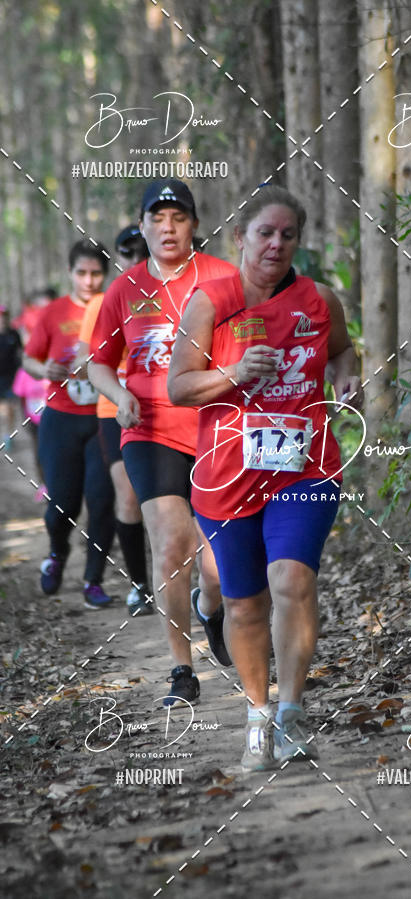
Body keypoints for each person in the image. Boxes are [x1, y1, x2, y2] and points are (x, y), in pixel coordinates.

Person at [167, 185, 362, 771]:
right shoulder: (211, 301)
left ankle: (291, 715)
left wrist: (346, 377)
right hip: (227, 474)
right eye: (265, 233)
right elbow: (180, 386)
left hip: (306, 466)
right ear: (240, 238)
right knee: (245, 604)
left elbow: (342, 351)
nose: (276, 244)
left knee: (292, 580)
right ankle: (257, 717)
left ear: (298, 240)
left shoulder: (319, 299)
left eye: (287, 234)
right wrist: (232, 373)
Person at [88, 179, 236, 706]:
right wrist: (118, 393)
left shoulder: (223, 278)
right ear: (143, 225)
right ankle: (181, 669)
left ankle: (210, 607)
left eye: (178, 217)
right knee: (172, 544)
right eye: (157, 218)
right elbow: (99, 363)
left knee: (218, 564)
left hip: (216, 428)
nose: (168, 227)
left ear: (194, 224)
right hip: (149, 430)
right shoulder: (124, 288)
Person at [22, 240, 115, 609]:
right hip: (60, 419)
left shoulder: (114, 307)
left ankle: (93, 580)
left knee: (102, 500)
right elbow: (29, 359)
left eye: (96, 273)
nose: (89, 281)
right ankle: (57, 553)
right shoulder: (53, 312)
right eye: (82, 273)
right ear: (70, 273)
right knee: (63, 502)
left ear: (105, 274)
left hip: (103, 418)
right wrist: (43, 368)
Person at [76, 226, 151, 618]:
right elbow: (87, 361)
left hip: (168, 407)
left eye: (142, 252)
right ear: (117, 259)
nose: (135, 259)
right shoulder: (103, 303)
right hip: (114, 410)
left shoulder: (177, 296)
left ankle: (200, 584)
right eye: (127, 252)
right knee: (128, 494)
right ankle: (140, 586)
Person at [12, 288, 57, 496]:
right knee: (40, 450)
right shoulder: (26, 366)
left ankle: (61, 484)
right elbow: (20, 395)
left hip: (59, 413)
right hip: (34, 416)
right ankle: (44, 484)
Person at [0, 306, 22, 449]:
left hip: (11, 378)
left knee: (9, 409)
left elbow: (21, 353)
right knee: (4, 409)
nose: (2, 319)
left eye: (4, 315)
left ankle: (8, 435)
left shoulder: (13, 334)